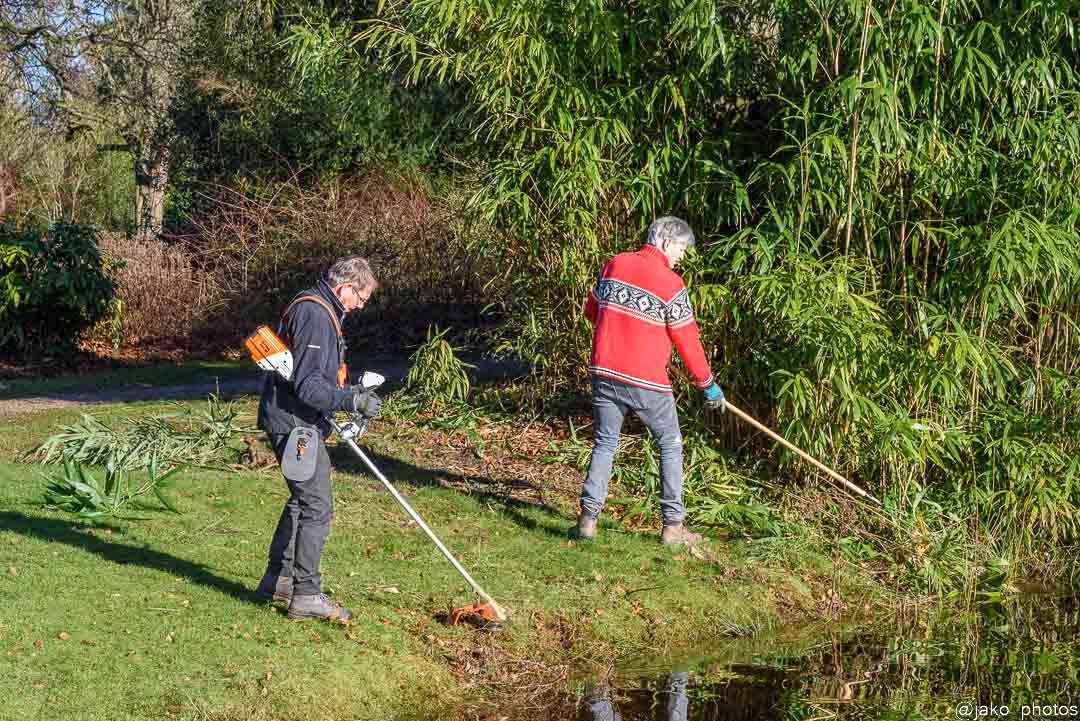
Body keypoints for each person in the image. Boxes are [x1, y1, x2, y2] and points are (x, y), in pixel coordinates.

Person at [570, 216, 724, 546]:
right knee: (670, 444)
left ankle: (587, 520)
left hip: (604, 371)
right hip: (646, 381)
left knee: (605, 442)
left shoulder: (615, 264)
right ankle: (672, 526)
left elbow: (591, 311)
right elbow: (687, 341)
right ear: (667, 242)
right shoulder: (672, 285)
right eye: (682, 247)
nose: (682, 255)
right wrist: (707, 384)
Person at [254, 256, 383, 623]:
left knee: (301, 501)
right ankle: (306, 595)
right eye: (362, 298)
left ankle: (277, 579)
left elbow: (316, 377)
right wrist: (351, 400)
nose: (361, 306)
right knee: (316, 507)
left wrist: (351, 390)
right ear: (345, 288)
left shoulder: (321, 309)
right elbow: (309, 386)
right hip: (295, 425)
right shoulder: (315, 314)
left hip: (298, 420)